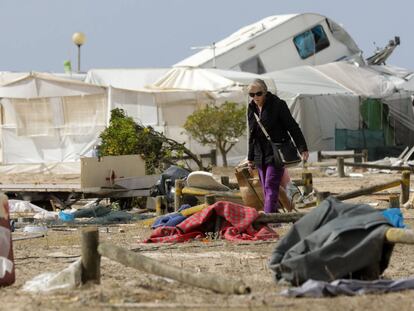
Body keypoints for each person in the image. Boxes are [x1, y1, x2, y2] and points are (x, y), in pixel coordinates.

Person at [247, 79, 308, 213]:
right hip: (259, 154)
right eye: (251, 94)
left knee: (270, 185)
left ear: (265, 92)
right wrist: (250, 158)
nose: (255, 97)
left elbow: (293, 127)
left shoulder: (278, 105)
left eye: (258, 93)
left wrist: (302, 147)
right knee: (266, 188)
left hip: (276, 153)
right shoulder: (251, 108)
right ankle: (276, 218)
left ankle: (270, 220)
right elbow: (251, 135)